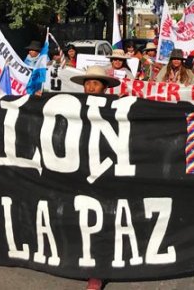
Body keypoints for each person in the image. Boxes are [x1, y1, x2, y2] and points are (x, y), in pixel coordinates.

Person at [70, 65, 121, 290]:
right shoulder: (73, 107)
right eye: (87, 83)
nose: (90, 87)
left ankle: (97, 272)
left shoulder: (115, 108)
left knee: (100, 222)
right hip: (78, 172)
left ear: (105, 87)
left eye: (95, 83)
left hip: (104, 174)